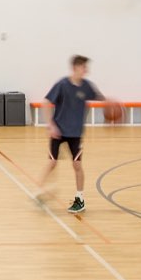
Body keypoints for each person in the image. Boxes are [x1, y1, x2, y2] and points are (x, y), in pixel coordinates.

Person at [40, 55, 110, 215]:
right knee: (52, 162)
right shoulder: (62, 85)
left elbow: (101, 98)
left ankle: (80, 199)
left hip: (75, 133)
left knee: (77, 165)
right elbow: (45, 102)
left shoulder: (87, 86)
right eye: (84, 67)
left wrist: (111, 104)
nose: (86, 70)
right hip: (58, 131)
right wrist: (51, 125)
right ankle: (39, 191)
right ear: (75, 68)